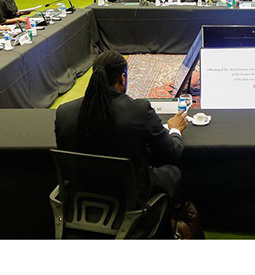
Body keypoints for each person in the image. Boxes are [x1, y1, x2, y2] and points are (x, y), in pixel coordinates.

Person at [55, 51, 188, 199]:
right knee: (173, 172)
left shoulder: (64, 113)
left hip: (82, 194)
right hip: (130, 197)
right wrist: (175, 130)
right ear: (123, 78)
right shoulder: (139, 111)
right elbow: (172, 154)